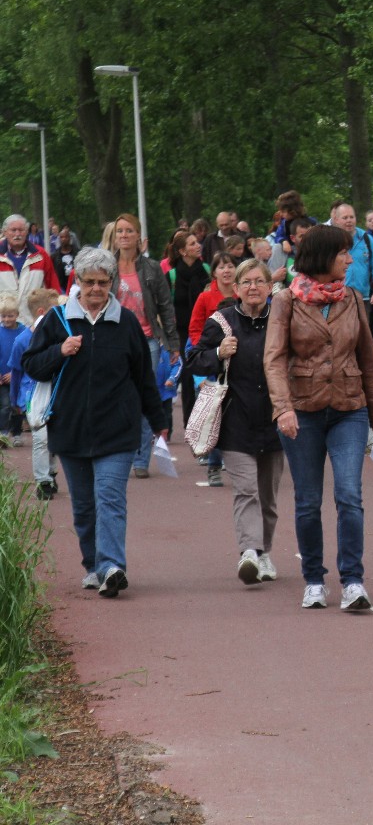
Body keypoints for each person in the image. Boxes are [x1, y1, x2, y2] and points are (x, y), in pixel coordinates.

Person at [22, 247, 168, 597]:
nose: (96, 289)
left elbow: (143, 377)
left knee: (110, 498)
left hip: (117, 428)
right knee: (84, 507)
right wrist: (59, 351)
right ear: (78, 282)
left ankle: (111, 566)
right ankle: (93, 564)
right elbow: (31, 365)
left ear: (112, 283)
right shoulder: (57, 320)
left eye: (103, 282)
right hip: (70, 428)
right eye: (89, 282)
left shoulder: (126, 322)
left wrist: (158, 419)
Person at [264, 225, 373, 612]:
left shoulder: (352, 299)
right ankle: (314, 580)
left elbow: (369, 358)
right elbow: (274, 359)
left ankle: (353, 581)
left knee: (349, 494)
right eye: (342, 254)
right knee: (308, 500)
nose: (349, 260)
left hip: (350, 408)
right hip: (302, 411)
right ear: (322, 257)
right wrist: (283, 408)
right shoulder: (285, 300)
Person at [189, 259, 284, 586]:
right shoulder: (221, 322)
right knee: (246, 490)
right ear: (236, 288)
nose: (253, 287)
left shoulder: (282, 319)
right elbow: (194, 360)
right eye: (247, 282)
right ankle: (249, 552)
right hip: (236, 420)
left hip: (275, 420)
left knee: (268, 497)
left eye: (259, 281)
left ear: (270, 287)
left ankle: (265, 552)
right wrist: (218, 352)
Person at [109, 213, 181, 479]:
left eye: (129, 231)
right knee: (116, 396)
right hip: (114, 341)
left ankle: (141, 458)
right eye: (120, 231)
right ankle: (118, 453)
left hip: (147, 341)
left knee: (141, 397)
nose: (124, 235)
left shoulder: (151, 268)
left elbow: (166, 307)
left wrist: (173, 343)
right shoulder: (107, 267)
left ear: (138, 235)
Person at [188, 251, 240, 485]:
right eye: (221, 267)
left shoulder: (243, 295)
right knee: (216, 411)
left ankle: (237, 462)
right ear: (214, 272)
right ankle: (214, 463)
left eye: (230, 266)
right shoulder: (205, 297)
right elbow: (195, 329)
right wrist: (209, 350)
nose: (226, 271)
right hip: (214, 360)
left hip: (240, 360)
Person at [9, 289, 61, 498]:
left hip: (54, 391)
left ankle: (51, 470)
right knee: (41, 437)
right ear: (41, 312)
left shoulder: (57, 336)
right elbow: (16, 373)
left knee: (53, 435)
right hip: (31, 394)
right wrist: (14, 400)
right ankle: (42, 481)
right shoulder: (22, 340)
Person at [331, 201, 373, 350]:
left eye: (352, 217)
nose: (349, 220)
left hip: (363, 300)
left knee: (362, 342)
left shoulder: (366, 239)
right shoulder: (330, 241)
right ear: (336, 220)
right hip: (337, 299)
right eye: (345, 218)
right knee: (340, 340)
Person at [1, 214, 62, 324]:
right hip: (3, 324)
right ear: (5, 232)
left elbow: (53, 289)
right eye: (13, 230)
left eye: (21, 230)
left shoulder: (41, 255)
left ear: (27, 232)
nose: (17, 234)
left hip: (33, 323)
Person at [0, 295, 25, 447]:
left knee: (17, 407)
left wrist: (15, 373)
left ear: (17, 314)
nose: (7, 319)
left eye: (10, 316)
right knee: (4, 405)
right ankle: (3, 433)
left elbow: (25, 354)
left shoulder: (23, 332)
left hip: (17, 377)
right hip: (3, 378)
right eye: (3, 316)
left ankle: (16, 433)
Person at [269, 217, 311, 290]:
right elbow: (271, 280)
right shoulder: (281, 251)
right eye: (302, 236)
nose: (307, 239)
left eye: (309, 235)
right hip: (286, 294)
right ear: (292, 238)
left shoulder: (319, 253)